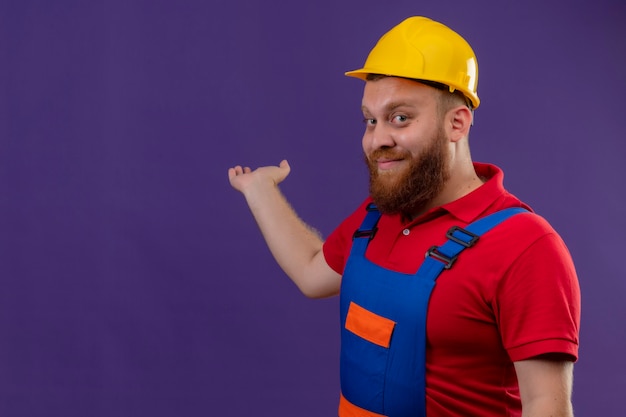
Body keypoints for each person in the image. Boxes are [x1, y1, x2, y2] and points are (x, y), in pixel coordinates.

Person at [228, 16, 580, 417]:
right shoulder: (377, 217)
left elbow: (546, 405)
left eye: (400, 117)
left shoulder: (526, 247)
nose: (378, 139)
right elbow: (311, 272)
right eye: (370, 120)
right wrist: (261, 190)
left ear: (457, 122)